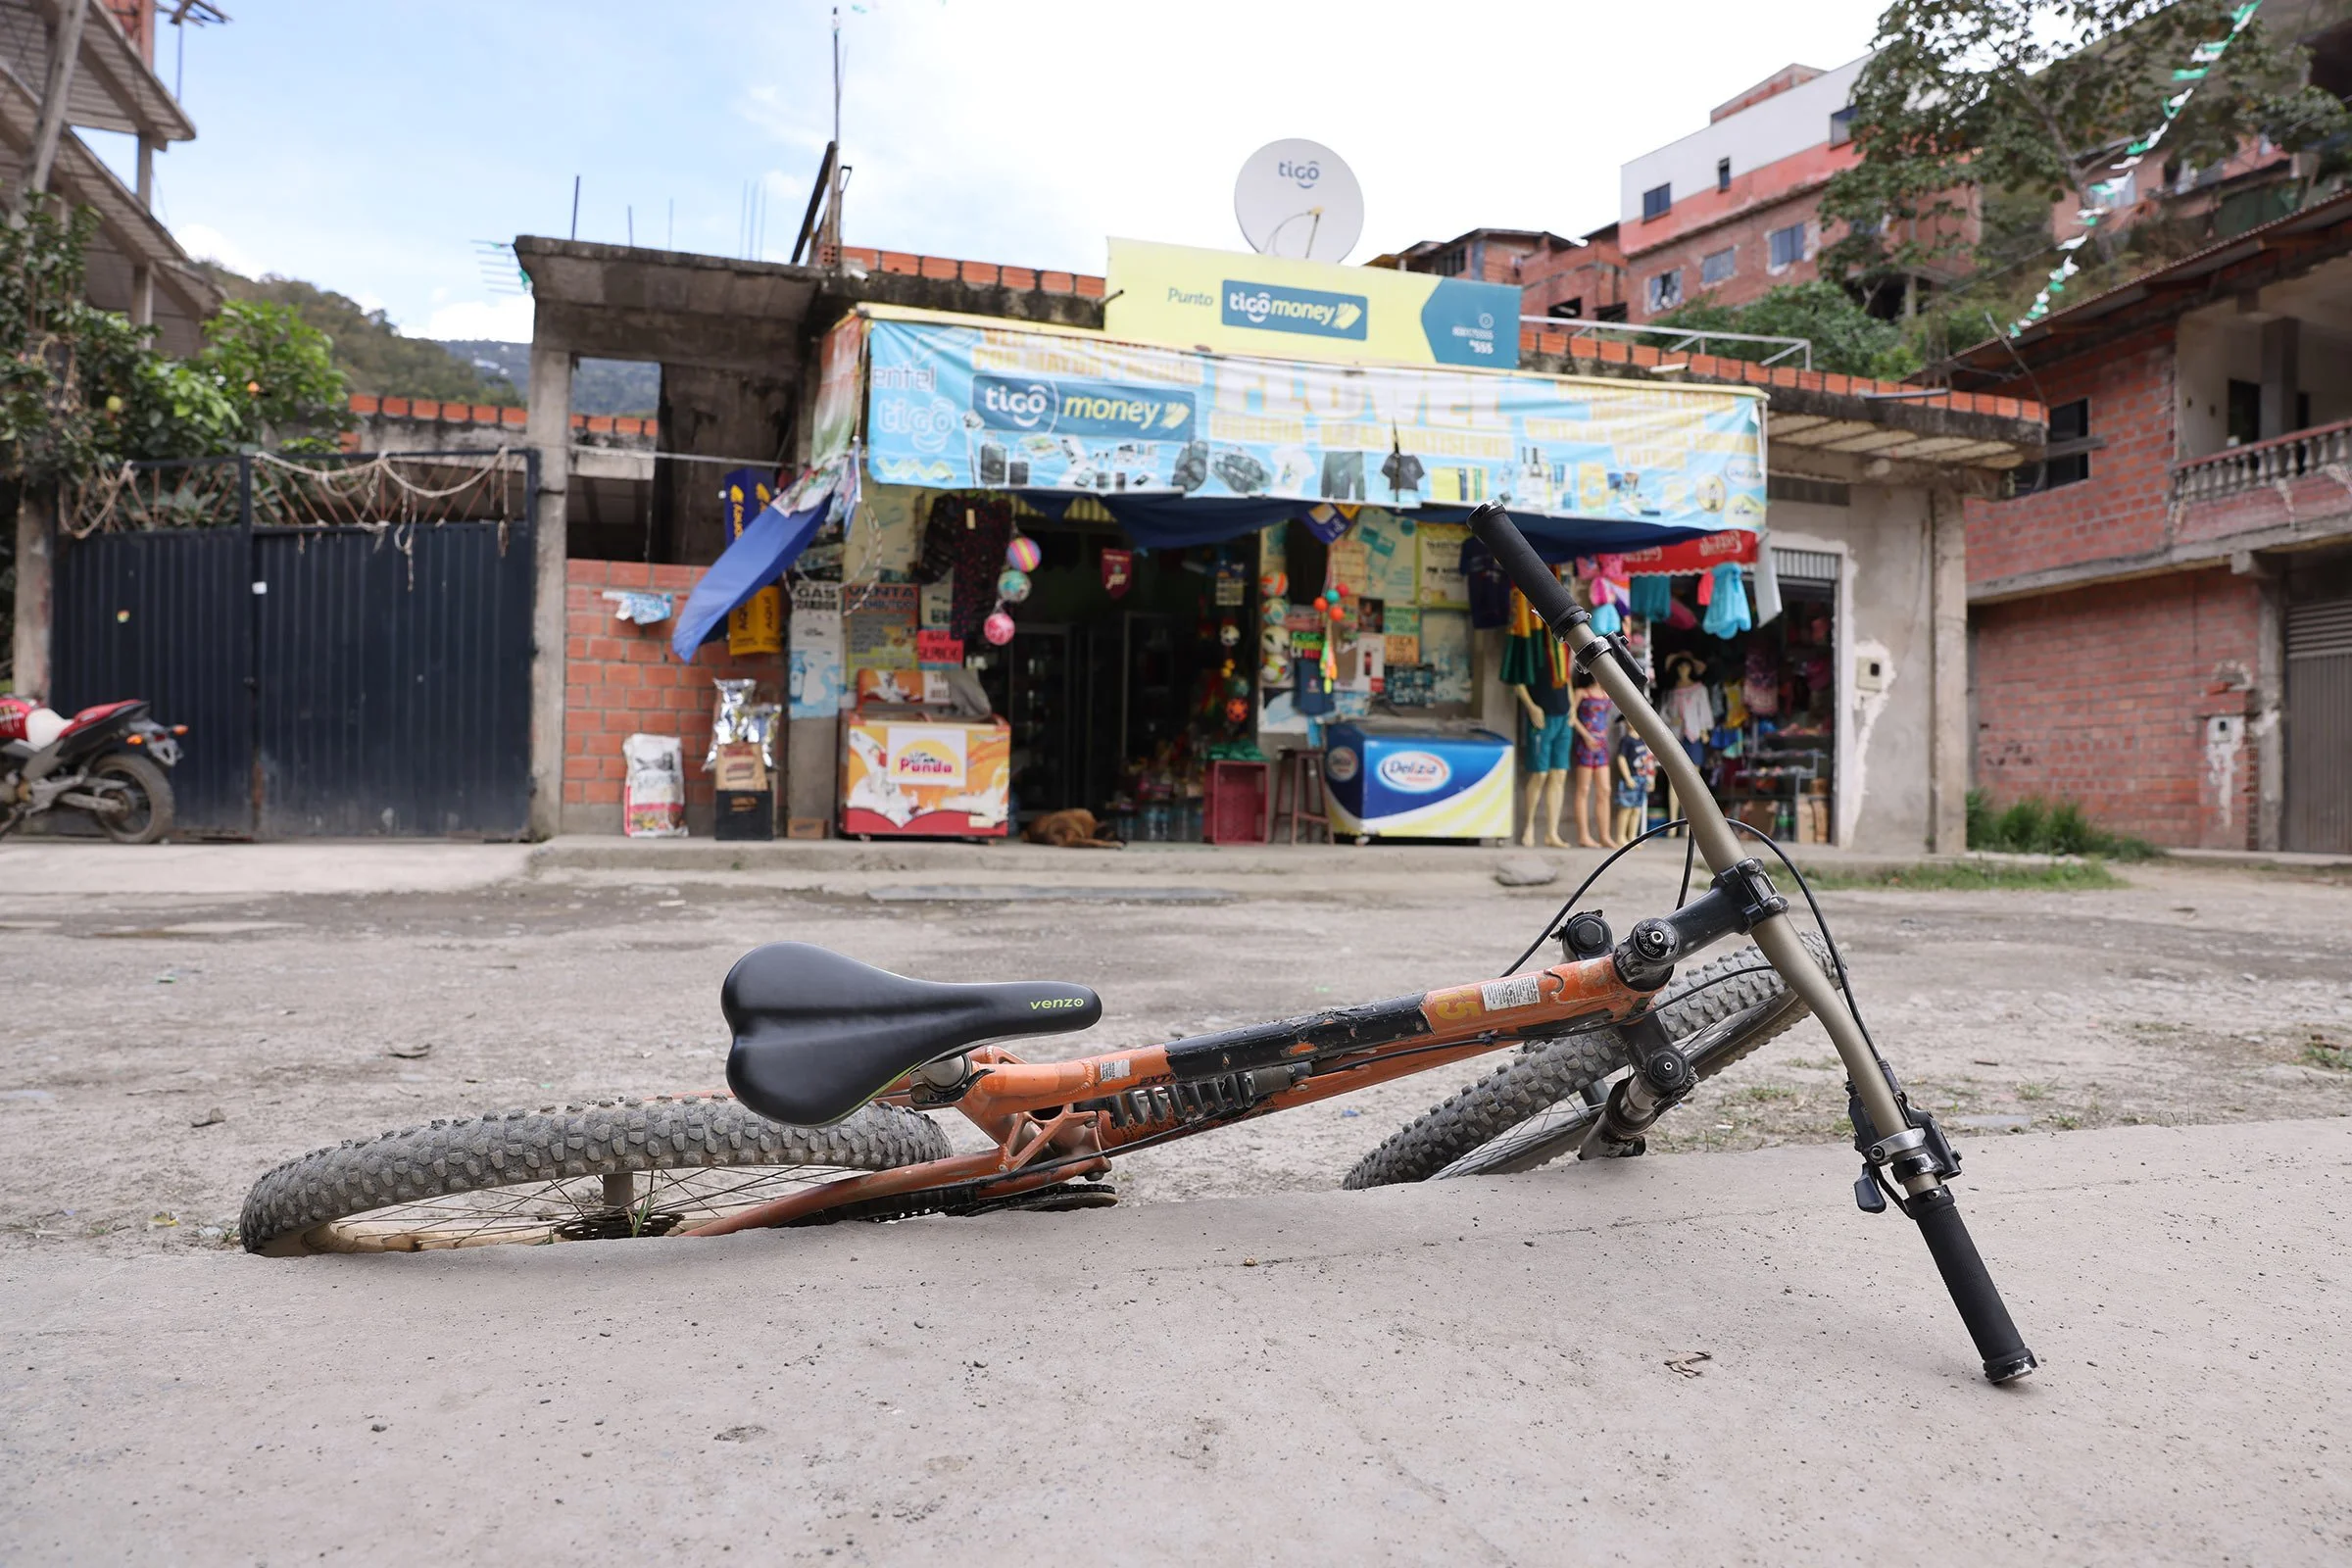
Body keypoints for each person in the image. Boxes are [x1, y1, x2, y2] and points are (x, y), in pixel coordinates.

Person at [1570, 671, 1616, 849]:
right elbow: (1571, 717)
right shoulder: (1581, 692)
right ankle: (1584, 835)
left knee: (1604, 789)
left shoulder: (1607, 693)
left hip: (1602, 744)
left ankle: (1604, 835)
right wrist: (1586, 736)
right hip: (1586, 743)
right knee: (1583, 789)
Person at [1611, 725, 1655, 845]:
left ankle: (1632, 837)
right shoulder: (1626, 740)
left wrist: (1651, 779)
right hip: (1631, 778)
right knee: (1626, 808)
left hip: (1642, 779)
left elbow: (1649, 760)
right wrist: (1627, 777)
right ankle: (1620, 836)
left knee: (1637, 810)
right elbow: (1621, 758)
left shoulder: (1643, 740)